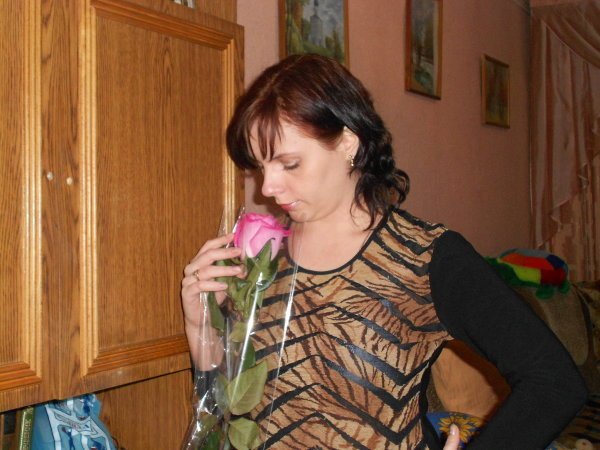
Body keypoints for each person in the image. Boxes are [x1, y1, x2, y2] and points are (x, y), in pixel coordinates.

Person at [181, 54, 587, 449]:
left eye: (289, 164)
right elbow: (225, 410)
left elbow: (554, 383)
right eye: (259, 167)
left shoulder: (425, 257)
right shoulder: (264, 254)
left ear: (348, 144)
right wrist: (201, 325)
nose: (267, 188)